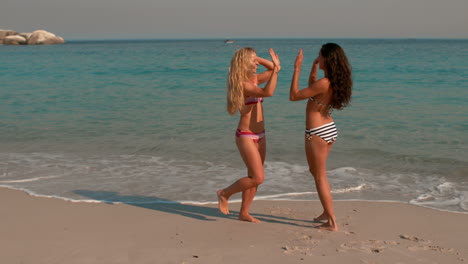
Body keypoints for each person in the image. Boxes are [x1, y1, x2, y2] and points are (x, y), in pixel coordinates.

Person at [289, 43, 352, 231]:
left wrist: (297, 68)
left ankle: (332, 222)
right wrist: (313, 66)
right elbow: (311, 87)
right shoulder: (330, 81)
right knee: (316, 172)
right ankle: (326, 211)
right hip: (328, 129)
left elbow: (294, 96)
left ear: (327, 58)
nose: (318, 57)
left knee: (319, 176)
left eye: (320, 56)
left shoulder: (325, 83)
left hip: (317, 132)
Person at [217, 47, 281, 223]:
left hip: (260, 134)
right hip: (246, 136)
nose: (256, 64)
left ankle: (243, 213)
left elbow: (275, 69)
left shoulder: (254, 79)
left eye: (256, 61)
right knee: (257, 177)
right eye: (252, 61)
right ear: (243, 63)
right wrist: (274, 67)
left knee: (254, 178)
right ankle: (224, 193)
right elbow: (268, 92)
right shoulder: (242, 85)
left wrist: (258, 58)